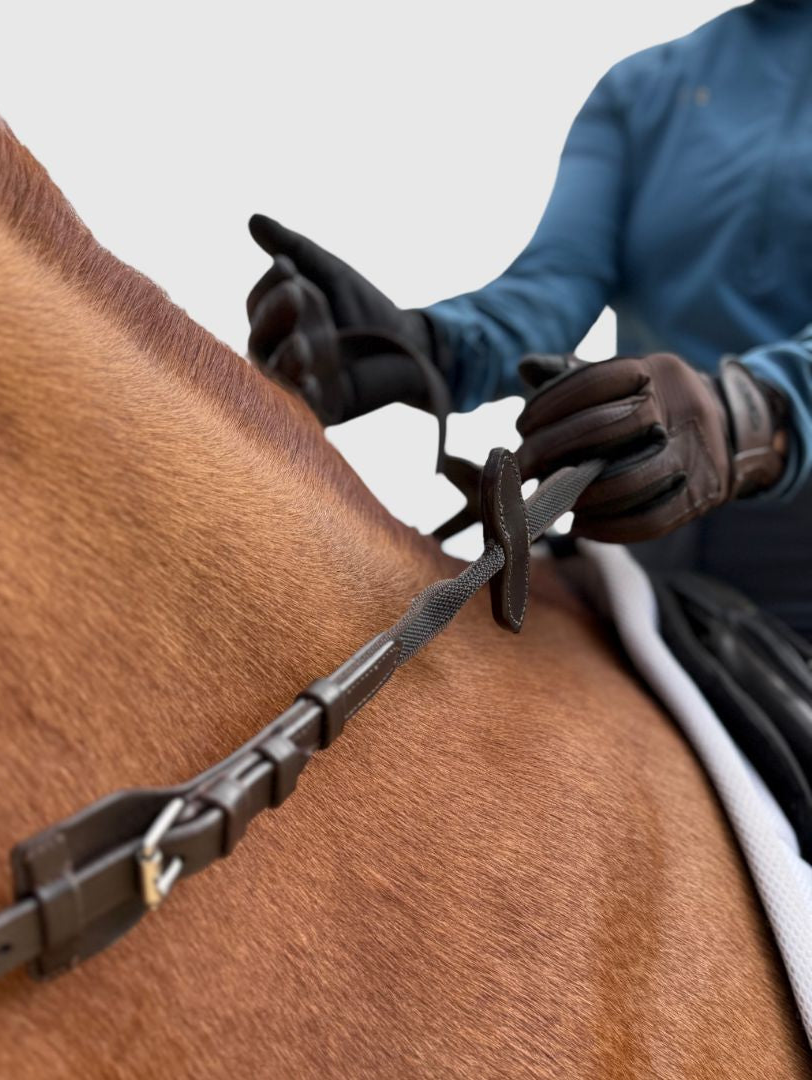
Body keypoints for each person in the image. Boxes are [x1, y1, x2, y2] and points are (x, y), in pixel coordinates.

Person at [245, 0, 812, 639]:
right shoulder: (643, 88)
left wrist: (759, 414)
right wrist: (425, 345)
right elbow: (554, 287)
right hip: (643, 542)